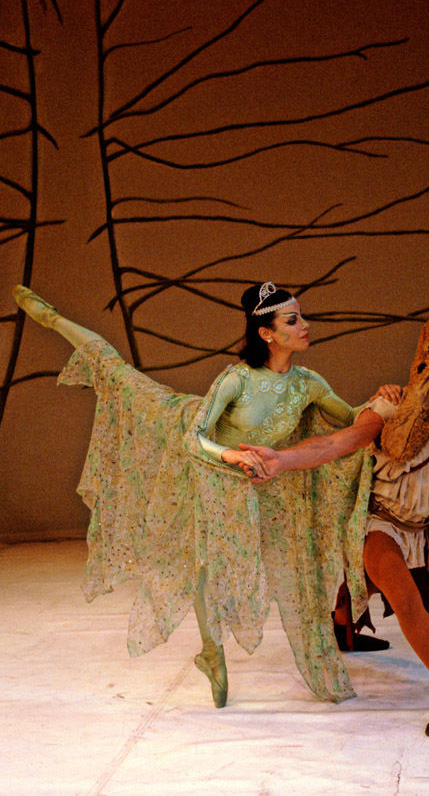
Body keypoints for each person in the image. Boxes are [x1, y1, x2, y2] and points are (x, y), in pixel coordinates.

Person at [12, 282, 397, 709]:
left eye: (301, 317)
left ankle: (310, 641)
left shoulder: (308, 383)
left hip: (255, 475)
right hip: (205, 463)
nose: (305, 326)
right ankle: (51, 317)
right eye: (293, 320)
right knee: (122, 378)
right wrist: (231, 454)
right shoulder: (236, 380)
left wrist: (382, 402)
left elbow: (353, 427)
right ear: (266, 333)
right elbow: (194, 439)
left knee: (284, 556)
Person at [240, 393, 429, 737]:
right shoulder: (396, 406)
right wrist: (281, 460)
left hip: (426, 528)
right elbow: (334, 443)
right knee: (404, 598)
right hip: (381, 521)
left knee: (367, 582)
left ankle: (341, 628)